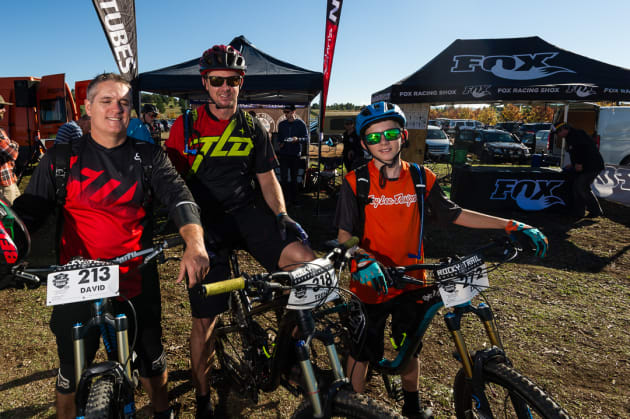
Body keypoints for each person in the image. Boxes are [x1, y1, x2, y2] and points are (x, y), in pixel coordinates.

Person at [10, 73, 210, 419]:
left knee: (151, 359)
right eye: (106, 101)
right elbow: (30, 211)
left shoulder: (148, 156)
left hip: (135, 273)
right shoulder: (60, 160)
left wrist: (194, 242)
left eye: (123, 102)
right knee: (70, 372)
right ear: (87, 108)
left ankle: (160, 412)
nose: (116, 109)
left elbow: (179, 197)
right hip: (75, 281)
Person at [334, 101, 549, 418]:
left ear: (403, 135)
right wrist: (363, 260)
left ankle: (412, 406)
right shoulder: (355, 182)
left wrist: (511, 224)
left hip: (414, 282)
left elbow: (457, 214)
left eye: (390, 133)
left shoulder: (422, 178)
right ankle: (353, 408)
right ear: (365, 143)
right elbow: (343, 237)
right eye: (374, 137)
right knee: (362, 352)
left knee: (410, 349)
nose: (384, 142)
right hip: (370, 284)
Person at [165, 45, 314, 418]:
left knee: (307, 264)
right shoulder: (185, 126)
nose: (225, 87)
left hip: (246, 214)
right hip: (205, 223)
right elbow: (171, 183)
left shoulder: (252, 126)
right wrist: (185, 234)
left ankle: (290, 347)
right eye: (217, 81)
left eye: (232, 81)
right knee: (205, 320)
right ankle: (202, 396)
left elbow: (267, 178)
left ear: (240, 83)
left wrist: (281, 215)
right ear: (205, 83)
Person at [555, 122, 605, 218]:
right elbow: (577, 151)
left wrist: (579, 163)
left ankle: (595, 211)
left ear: (564, 130)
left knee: (581, 187)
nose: (558, 135)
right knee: (578, 187)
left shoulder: (576, 135)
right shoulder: (573, 135)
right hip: (588, 165)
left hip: (592, 166)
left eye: (558, 133)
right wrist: (574, 164)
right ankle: (579, 211)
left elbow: (582, 150)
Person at [277, 104, 308, 205]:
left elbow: (307, 139)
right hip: (284, 154)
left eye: (287, 112)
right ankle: (284, 199)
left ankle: (295, 200)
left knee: (294, 178)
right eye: (284, 112)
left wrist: (298, 139)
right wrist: (280, 143)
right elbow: (279, 138)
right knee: (284, 178)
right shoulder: (281, 124)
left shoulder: (301, 124)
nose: (285, 114)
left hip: (295, 155)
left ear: (294, 112)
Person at [0, 95, 20, 204]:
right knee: (11, 217)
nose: (4, 110)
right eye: (1, 106)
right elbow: (13, 154)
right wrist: (14, 144)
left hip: (9, 181)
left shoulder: (1, 130)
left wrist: (11, 144)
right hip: (4, 185)